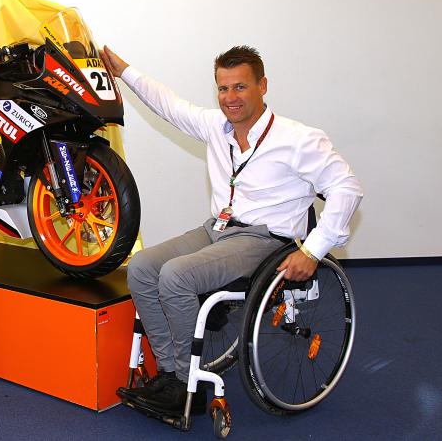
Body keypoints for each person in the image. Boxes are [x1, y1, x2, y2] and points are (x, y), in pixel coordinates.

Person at [101, 45, 362, 416]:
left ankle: (185, 384)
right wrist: (124, 71)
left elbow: (347, 188)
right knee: (142, 266)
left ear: (262, 86)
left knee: (176, 276)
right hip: (218, 229)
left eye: (240, 87)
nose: (230, 97)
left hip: (264, 239)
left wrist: (312, 250)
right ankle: (171, 373)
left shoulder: (298, 138)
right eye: (223, 88)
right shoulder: (215, 127)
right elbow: (169, 105)